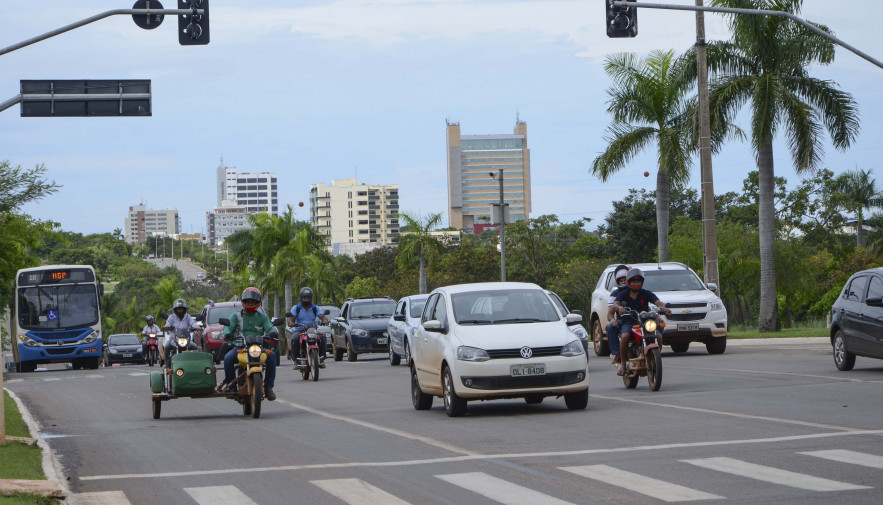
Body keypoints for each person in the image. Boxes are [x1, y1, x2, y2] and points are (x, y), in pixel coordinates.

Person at [222, 287, 279, 401]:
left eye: (252, 302)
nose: (250, 303)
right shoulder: (236, 316)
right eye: (248, 301)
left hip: (258, 347)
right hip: (240, 347)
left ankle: (268, 388)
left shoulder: (262, 317)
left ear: (257, 302)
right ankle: (232, 388)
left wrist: (273, 333)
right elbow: (227, 328)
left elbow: (269, 327)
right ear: (243, 301)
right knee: (228, 358)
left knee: (272, 356)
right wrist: (227, 334)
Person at [613, 268, 671, 376]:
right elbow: (615, 304)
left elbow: (657, 302)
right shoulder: (623, 294)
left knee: (658, 336)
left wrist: (664, 308)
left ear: (642, 282)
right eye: (633, 281)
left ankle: (655, 359)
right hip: (630, 323)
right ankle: (623, 363)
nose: (636, 283)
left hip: (645, 323)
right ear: (628, 282)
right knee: (625, 336)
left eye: (638, 281)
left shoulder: (646, 293)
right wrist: (619, 308)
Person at [287, 287, 329, 368]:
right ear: (301, 298)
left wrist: (325, 321)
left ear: (311, 298)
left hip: (312, 330)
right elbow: (291, 318)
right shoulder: (297, 308)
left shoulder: (315, 308)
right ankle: (295, 360)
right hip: (300, 330)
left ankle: (322, 358)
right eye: (304, 297)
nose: (306, 299)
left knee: (322, 337)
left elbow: (322, 317)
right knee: (295, 338)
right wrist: (291, 322)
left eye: (308, 297)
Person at [605, 265, 630, 365]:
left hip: (639, 320)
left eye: (626, 280)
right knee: (610, 326)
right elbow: (610, 312)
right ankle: (617, 353)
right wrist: (612, 320)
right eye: (621, 280)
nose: (623, 282)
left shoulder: (639, 292)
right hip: (624, 321)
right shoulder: (615, 294)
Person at [162, 298, 199, 366]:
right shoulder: (171, 317)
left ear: (184, 309)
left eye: (181, 308)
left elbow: (193, 323)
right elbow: (167, 324)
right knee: (167, 347)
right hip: (173, 339)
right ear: (175, 309)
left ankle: (197, 364)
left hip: (186, 339)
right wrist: (167, 327)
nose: (179, 310)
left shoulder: (188, 317)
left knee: (195, 347)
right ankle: (166, 364)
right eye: (178, 309)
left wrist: (196, 327)